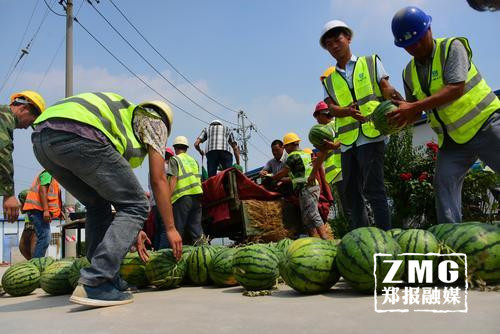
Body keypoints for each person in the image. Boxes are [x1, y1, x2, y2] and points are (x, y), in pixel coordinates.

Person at [31, 92, 182, 307]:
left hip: (42, 140)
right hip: (80, 133)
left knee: (97, 204)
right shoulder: (155, 121)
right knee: (138, 204)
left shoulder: (126, 122)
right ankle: (97, 280)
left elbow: (114, 193)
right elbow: (158, 180)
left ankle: (102, 278)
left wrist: (132, 229)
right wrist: (171, 227)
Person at [389, 6, 500, 224]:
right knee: (444, 185)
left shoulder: (451, 47)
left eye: (419, 39)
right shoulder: (408, 72)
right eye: (408, 45)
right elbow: (415, 109)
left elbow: (456, 87)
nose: (415, 47)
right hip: (453, 141)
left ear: (429, 29)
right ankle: (453, 242)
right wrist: (398, 118)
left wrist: (413, 107)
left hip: (485, 124)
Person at [320, 20, 403, 231]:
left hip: (371, 134)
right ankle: (362, 237)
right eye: (328, 43)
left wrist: (398, 101)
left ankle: (385, 236)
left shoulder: (370, 62)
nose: (334, 46)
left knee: (374, 188)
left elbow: (385, 88)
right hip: (348, 142)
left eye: (337, 39)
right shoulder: (328, 80)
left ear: (348, 38)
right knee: (350, 192)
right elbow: (331, 108)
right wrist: (346, 110)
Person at [272, 133, 329, 239]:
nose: (285, 150)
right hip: (310, 187)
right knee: (307, 217)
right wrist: (282, 180)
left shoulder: (293, 156)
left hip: (307, 188)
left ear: (291, 145)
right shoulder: (305, 154)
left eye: (286, 147)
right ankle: (314, 240)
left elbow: (284, 172)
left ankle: (325, 239)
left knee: (312, 214)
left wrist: (273, 178)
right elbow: (295, 176)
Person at [1, 91, 46, 223]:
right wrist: (8, 194)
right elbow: (3, 152)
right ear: (24, 108)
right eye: (31, 121)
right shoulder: (4, 117)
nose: (27, 127)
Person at [311, 101, 350, 220]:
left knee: (348, 207)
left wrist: (313, 174)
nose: (317, 120)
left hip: (338, 171)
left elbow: (323, 153)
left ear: (323, 114)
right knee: (357, 202)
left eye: (317, 116)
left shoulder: (326, 130)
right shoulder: (339, 124)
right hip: (349, 166)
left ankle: (357, 233)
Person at [165, 136, 203, 246]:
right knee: (196, 230)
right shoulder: (193, 161)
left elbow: (173, 179)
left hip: (182, 198)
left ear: (175, 148)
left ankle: (177, 257)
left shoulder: (175, 159)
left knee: (178, 230)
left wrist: (167, 199)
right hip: (197, 196)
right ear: (186, 148)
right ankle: (203, 251)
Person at [22, 170, 62, 258]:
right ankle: (37, 263)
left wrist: (52, 212)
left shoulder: (51, 176)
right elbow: (42, 191)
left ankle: (37, 262)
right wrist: (46, 210)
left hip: (39, 211)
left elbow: (49, 197)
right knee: (45, 238)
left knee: (44, 237)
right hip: (37, 210)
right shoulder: (49, 173)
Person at [148, 147, 175, 250]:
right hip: (163, 203)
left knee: (159, 230)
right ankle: (161, 254)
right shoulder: (167, 168)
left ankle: (156, 252)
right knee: (165, 230)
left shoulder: (152, 169)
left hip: (154, 204)